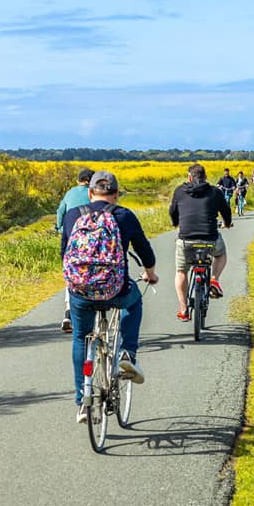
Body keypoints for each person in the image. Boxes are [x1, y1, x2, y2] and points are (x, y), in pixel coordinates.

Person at [60, 170, 159, 423]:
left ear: (90, 193)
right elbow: (144, 250)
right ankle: (128, 353)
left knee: (81, 338)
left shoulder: (73, 215)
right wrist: (150, 273)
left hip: (81, 292)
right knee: (134, 302)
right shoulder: (124, 215)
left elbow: (64, 254)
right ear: (116, 194)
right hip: (116, 289)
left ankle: (82, 400)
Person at [169, 164, 233, 321]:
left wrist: (175, 222)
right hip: (210, 238)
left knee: (181, 271)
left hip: (186, 239)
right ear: (205, 177)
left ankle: (184, 309)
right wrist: (227, 223)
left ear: (189, 177)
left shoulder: (179, 191)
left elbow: (172, 211)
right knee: (221, 254)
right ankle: (214, 280)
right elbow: (226, 211)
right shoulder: (215, 192)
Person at [56, 167, 95, 333]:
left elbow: (60, 211)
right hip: (92, 240)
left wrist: (59, 228)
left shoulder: (70, 193)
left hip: (71, 239)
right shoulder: (94, 193)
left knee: (71, 275)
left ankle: (68, 312)